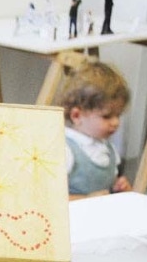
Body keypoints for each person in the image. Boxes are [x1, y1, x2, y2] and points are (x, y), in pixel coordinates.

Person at [53, 61, 132, 199]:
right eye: (106, 116)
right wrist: (87, 199)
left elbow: (107, 187)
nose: (116, 122)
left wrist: (118, 188)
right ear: (77, 116)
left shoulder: (107, 149)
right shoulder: (65, 150)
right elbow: (50, 199)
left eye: (118, 115)